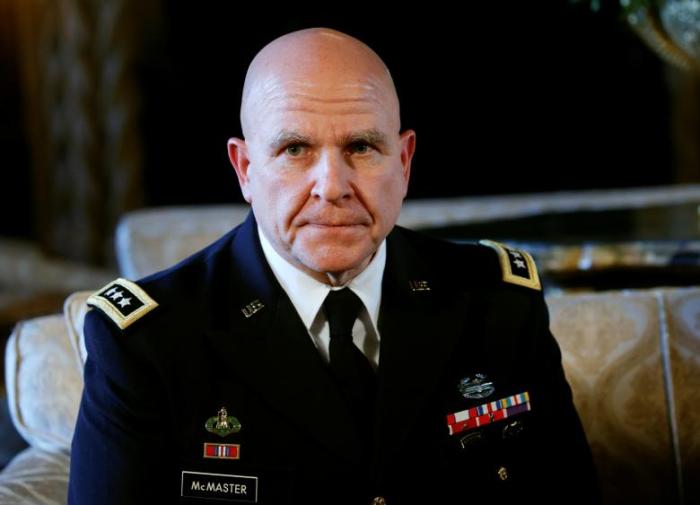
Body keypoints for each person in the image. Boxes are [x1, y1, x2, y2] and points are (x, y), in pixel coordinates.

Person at [68, 28, 600, 504]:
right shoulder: (148, 345)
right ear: (246, 169)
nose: (333, 186)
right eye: (296, 148)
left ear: (404, 162)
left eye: (362, 147)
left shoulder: (498, 304)